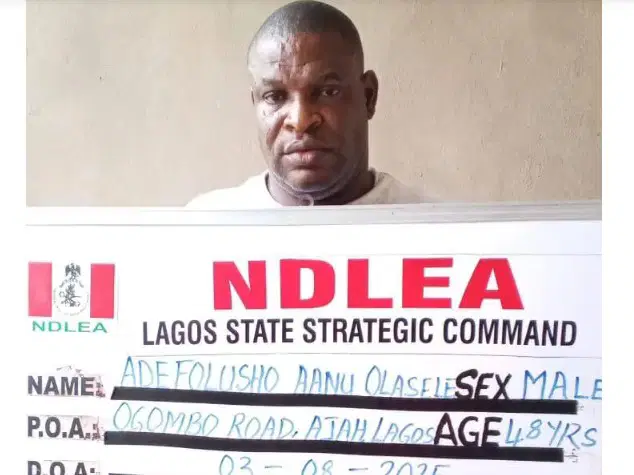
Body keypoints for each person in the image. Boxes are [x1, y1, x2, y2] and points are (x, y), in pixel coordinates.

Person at [187, 0, 424, 209]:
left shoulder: (435, 230)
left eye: (328, 92)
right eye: (274, 96)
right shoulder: (201, 229)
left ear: (368, 97)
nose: (300, 121)